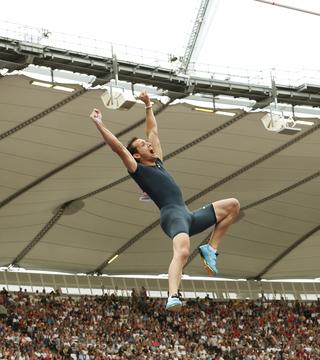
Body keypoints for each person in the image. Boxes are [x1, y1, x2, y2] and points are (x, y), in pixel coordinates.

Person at [89, 91, 240, 311]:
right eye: (142, 144)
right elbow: (119, 148)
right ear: (137, 155)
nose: (148, 144)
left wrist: (148, 105)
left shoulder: (158, 162)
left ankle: (210, 248)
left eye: (146, 143)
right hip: (172, 215)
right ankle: (172, 295)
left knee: (233, 205)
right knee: (183, 252)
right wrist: (99, 124)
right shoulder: (137, 169)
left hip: (188, 215)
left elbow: (153, 130)